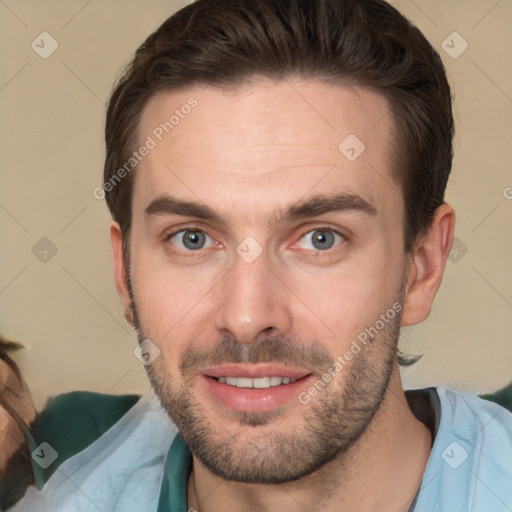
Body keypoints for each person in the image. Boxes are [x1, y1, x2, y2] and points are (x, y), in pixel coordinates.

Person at [8, 0, 512, 510]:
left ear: (422, 266)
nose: (247, 317)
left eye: (321, 238)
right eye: (192, 239)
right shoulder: (55, 483)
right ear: (125, 273)